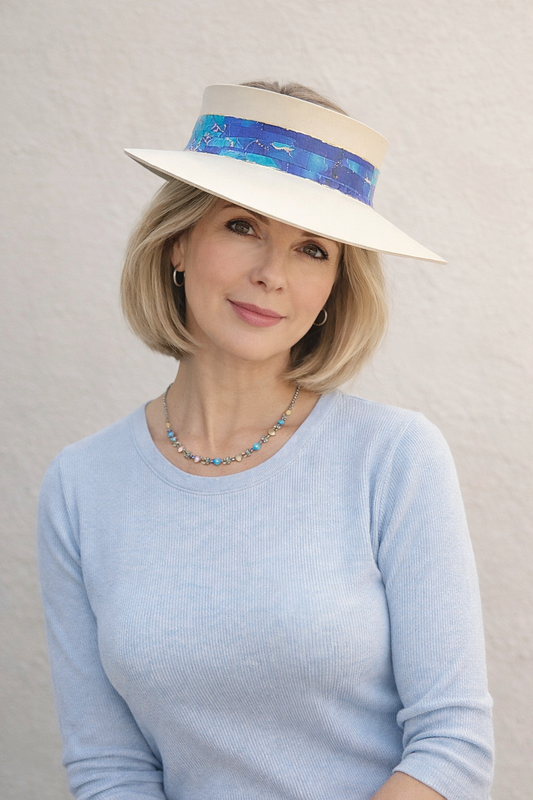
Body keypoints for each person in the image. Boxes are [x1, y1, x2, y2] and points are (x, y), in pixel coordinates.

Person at [37, 81, 494, 800]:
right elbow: (107, 766)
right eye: (243, 226)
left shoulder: (393, 457)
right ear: (179, 242)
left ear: (334, 289)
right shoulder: (81, 484)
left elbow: (452, 746)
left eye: (311, 249)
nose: (271, 275)